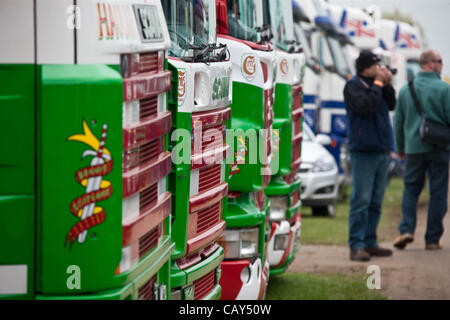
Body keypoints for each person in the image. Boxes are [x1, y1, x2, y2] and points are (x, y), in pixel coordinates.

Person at [393, 50, 450, 250]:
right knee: (438, 192)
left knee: (411, 189)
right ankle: (432, 239)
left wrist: (400, 148)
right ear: (430, 64)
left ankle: (406, 229)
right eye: (440, 61)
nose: (442, 64)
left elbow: (398, 123)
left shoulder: (406, 89)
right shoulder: (445, 89)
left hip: (414, 148)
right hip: (440, 148)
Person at [343, 50, 396, 261]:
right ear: (365, 67)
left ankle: (370, 242)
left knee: (376, 200)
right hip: (363, 150)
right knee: (361, 199)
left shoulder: (379, 85)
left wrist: (387, 84)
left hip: (382, 149)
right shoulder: (353, 86)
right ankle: (356, 245)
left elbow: (392, 104)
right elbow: (366, 106)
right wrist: (378, 84)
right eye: (375, 65)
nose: (379, 69)